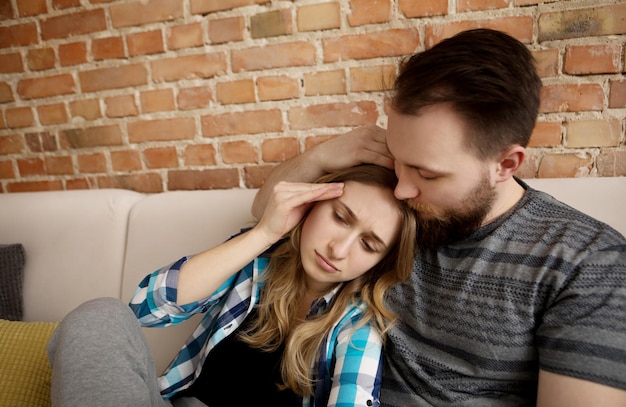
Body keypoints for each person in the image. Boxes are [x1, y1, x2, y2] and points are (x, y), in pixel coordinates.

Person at [252, 28, 626, 406]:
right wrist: (319, 157)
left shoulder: (589, 263)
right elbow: (265, 213)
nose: (402, 189)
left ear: (505, 164)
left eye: (427, 174)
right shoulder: (393, 207)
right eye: (398, 159)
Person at [47, 164, 417, 407]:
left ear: (379, 262)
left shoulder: (358, 328)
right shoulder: (255, 264)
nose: (339, 250)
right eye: (339, 217)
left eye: (368, 245)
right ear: (311, 204)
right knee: (99, 316)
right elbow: (147, 308)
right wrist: (264, 233)